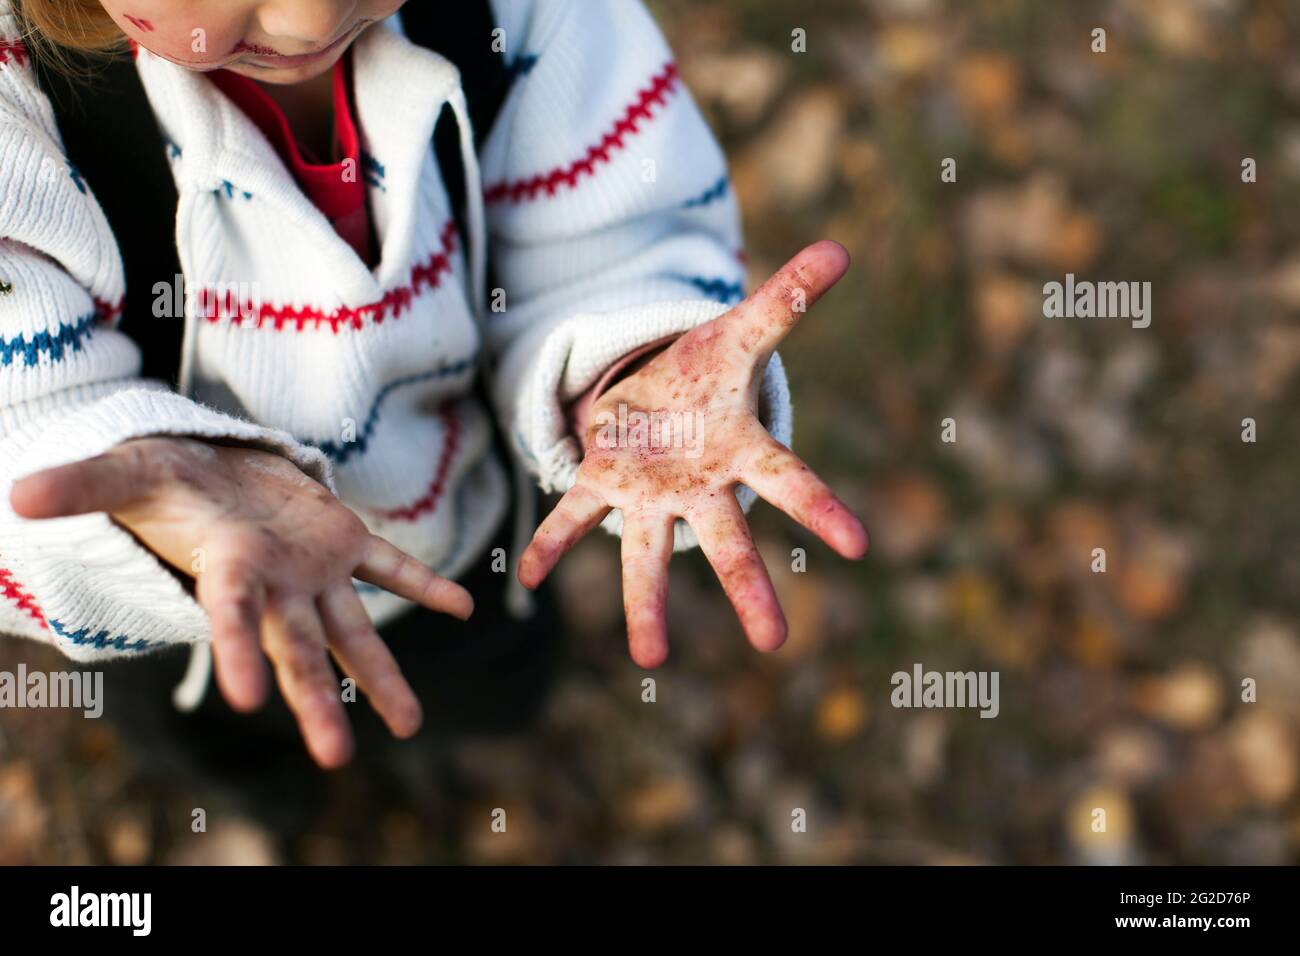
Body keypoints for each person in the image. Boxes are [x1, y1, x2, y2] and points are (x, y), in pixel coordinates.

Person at [0, 0, 868, 774]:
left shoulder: (526, 17)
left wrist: (630, 370)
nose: (308, 19)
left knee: (481, 696)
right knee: (234, 748)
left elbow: (607, 237)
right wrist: (150, 503)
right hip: (203, 605)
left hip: (468, 551)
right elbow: (18, 423)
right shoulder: (20, 115)